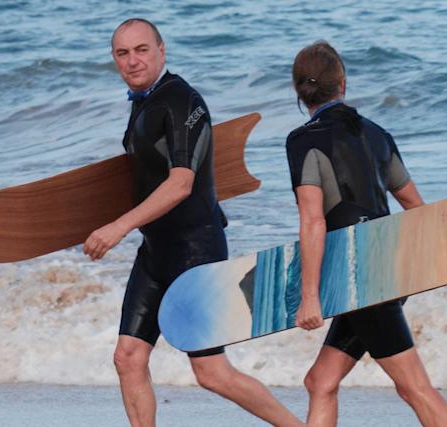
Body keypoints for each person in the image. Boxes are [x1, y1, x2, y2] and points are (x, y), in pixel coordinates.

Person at [83, 18, 302, 427]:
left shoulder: (183, 101)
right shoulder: (143, 105)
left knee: (211, 373)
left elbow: (181, 184)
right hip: (156, 251)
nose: (132, 61)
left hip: (195, 251)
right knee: (127, 357)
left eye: (141, 49)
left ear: (162, 50)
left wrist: (118, 227)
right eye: (122, 53)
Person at [285, 41, 447, 427]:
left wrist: (309, 298)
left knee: (414, 387)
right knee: (320, 381)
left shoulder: (303, 141)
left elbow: (313, 220)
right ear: (342, 83)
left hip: (362, 276)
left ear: (299, 91)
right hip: (386, 269)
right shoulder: (377, 134)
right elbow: (416, 207)